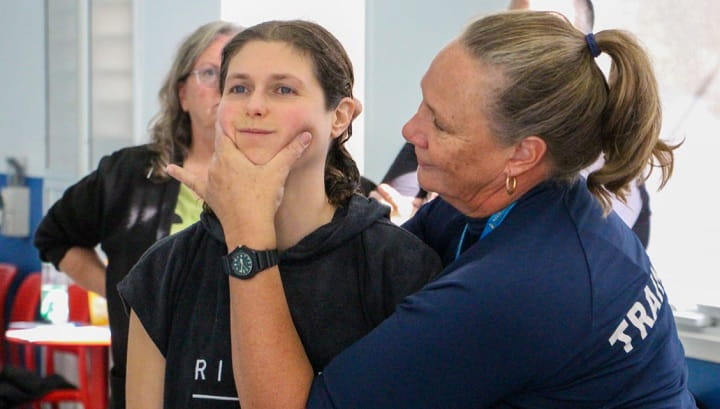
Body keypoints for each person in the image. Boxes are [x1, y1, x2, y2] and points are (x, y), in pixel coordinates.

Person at [172, 10, 698, 408]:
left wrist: (247, 232)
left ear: (523, 153)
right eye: (422, 101)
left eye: (440, 123)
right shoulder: (504, 203)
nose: (409, 130)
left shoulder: (525, 286)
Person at [118, 20, 441, 408]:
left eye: (283, 89)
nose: (254, 106)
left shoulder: (397, 266)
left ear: (340, 116)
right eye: (238, 88)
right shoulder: (165, 269)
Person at [33, 21, 240, 409]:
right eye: (212, 73)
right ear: (183, 94)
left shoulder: (281, 180)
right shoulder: (127, 175)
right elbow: (54, 237)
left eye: (238, 79)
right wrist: (123, 292)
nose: (225, 88)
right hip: (146, 386)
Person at [375, 0, 654, 248]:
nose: (518, 49)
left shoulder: (603, 175)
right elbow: (390, 212)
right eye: (514, 29)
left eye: (542, 34)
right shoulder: (441, 127)